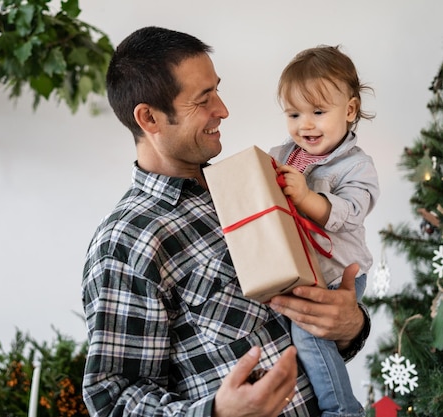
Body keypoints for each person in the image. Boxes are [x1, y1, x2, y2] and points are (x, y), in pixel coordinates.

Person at [82, 26, 371, 417]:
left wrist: (350, 325)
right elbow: (112, 398)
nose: (223, 109)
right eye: (203, 99)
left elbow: (310, 333)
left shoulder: (249, 185)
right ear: (149, 118)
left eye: (217, 90)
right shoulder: (128, 241)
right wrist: (217, 413)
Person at [268, 45, 379, 417]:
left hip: (338, 273)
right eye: (294, 113)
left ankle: (342, 409)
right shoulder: (284, 154)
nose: (306, 124)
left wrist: (305, 196)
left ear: (349, 111)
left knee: (308, 335)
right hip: (300, 267)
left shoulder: (356, 166)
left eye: (318, 112)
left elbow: (347, 213)